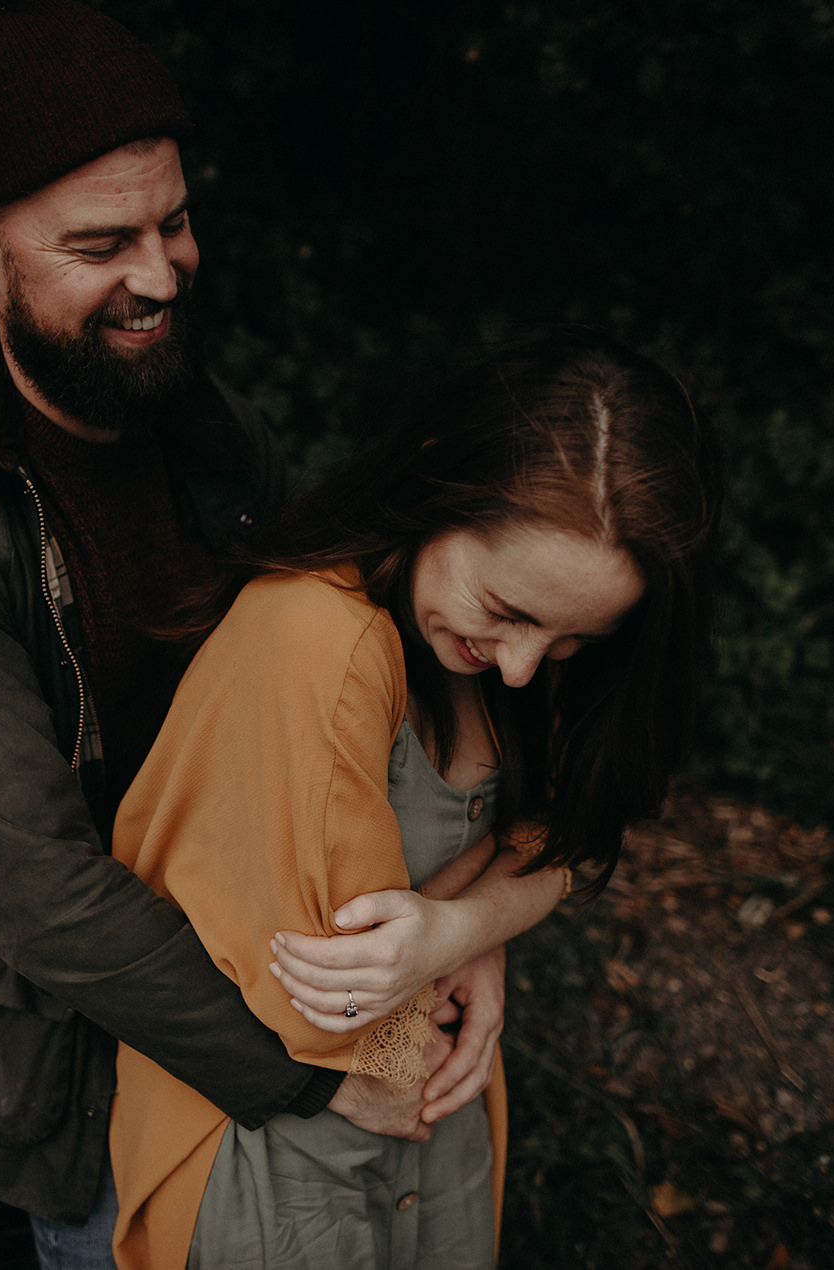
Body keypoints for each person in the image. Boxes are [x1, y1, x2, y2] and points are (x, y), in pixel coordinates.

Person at [0, 3, 544, 1265]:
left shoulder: (210, 428)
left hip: (252, 972)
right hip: (64, 1049)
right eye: (102, 243)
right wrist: (307, 1078)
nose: (159, 274)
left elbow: (323, 729)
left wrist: (459, 934)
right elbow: (41, 900)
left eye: (174, 222)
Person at [106, 334, 724, 1269]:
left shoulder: (490, 635)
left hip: (426, 1108)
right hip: (292, 1143)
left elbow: (562, 833)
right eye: (507, 612)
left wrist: (459, 934)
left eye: (568, 645)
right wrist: (471, 928)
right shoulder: (319, 638)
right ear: (439, 486)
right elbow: (344, 989)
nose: (523, 668)